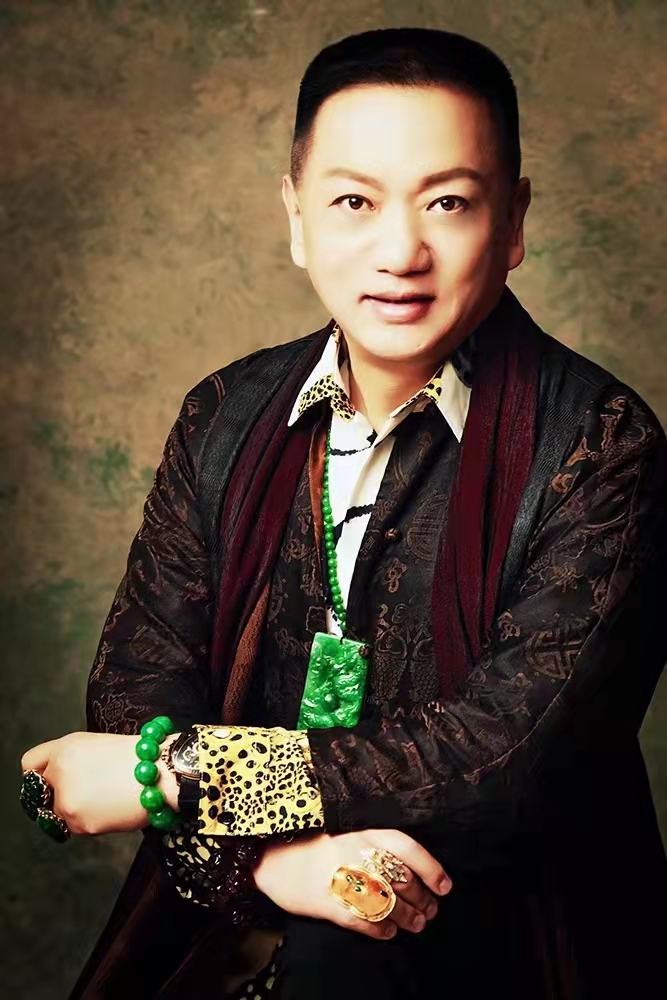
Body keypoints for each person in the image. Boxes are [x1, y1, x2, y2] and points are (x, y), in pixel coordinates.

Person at [19, 26, 667, 1000]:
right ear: (296, 218)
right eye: (353, 201)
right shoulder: (225, 412)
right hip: (231, 923)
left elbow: (502, 760)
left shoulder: (602, 443)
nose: (399, 251)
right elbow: (133, 686)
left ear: (514, 221)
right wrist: (272, 869)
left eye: (447, 202)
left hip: (503, 945)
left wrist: (178, 775)